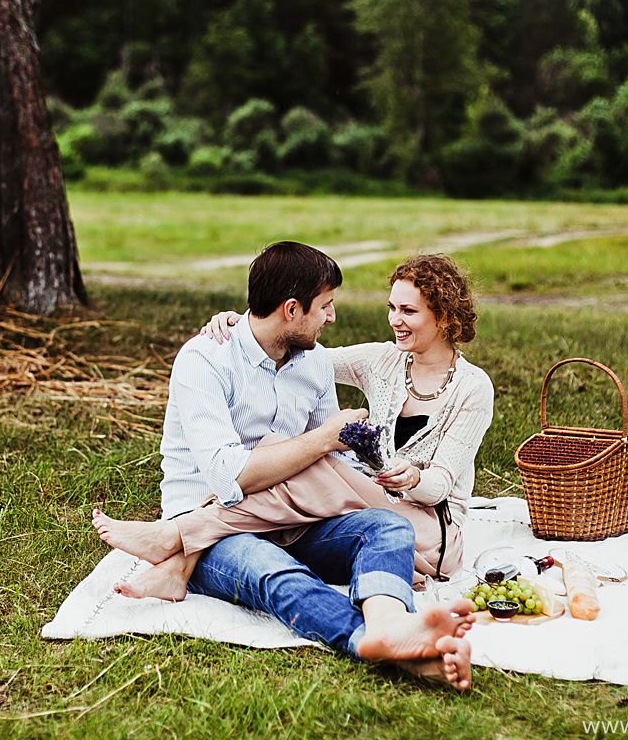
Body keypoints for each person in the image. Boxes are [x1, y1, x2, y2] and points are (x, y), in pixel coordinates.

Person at [93, 241, 474, 690]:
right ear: (291, 310)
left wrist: (353, 458)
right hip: (223, 524)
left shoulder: (312, 363)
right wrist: (323, 438)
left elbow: (328, 461)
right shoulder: (205, 360)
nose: (332, 318)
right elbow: (229, 475)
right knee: (271, 569)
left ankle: (391, 624)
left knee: (387, 528)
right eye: (325, 306)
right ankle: (374, 641)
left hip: (293, 518)